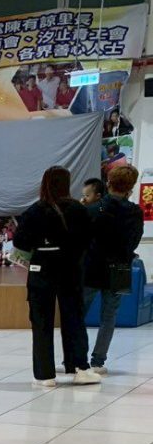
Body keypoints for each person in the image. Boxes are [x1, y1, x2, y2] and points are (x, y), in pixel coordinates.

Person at [12, 166, 99, 387]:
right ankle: (79, 367)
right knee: (74, 318)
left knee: (41, 321)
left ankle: (45, 374)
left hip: (41, 269)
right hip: (70, 270)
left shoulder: (34, 211)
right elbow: (89, 239)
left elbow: (20, 242)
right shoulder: (78, 210)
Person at [83, 162, 143, 375]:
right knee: (109, 316)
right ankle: (98, 361)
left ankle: (75, 357)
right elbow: (134, 242)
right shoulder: (135, 212)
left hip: (92, 265)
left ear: (108, 182)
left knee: (79, 312)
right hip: (120, 267)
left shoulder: (96, 207)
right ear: (131, 187)